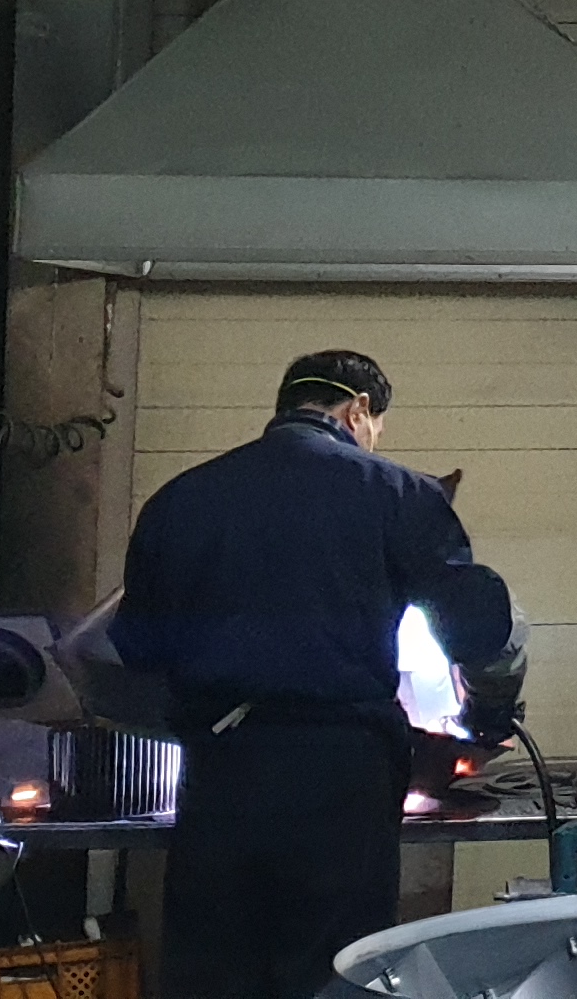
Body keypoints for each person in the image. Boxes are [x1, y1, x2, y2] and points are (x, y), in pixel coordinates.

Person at [113, 349, 526, 999]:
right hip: (341, 778)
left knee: (214, 974)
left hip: (220, 774)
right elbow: (477, 629)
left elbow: (135, 648)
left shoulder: (181, 499)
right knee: (335, 973)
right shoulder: (398, 494)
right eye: (376, 424)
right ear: (358, 410)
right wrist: (488, 710)